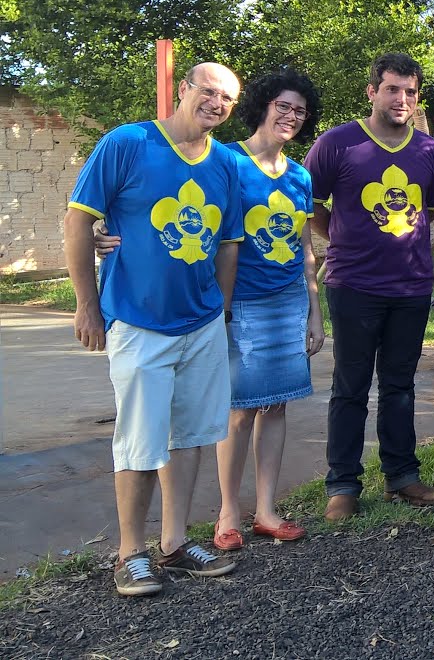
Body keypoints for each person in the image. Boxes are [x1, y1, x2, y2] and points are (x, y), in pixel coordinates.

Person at [65, 61, 244, 596]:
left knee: (189, 438)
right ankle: (129, 553)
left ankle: (173, 542)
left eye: (228, 99)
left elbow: (229, 243)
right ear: (183, 90)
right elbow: (78, 220)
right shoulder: (127, 143)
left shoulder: (225, 164)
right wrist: (86, 305)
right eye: (208, 91)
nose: (216, 103)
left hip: (202, 322)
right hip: (139, 320)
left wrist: (223, 309)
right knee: (139, 442)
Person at [306, 53, 434, 521]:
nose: (402, 99)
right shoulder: (337, 144)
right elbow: (311, 205)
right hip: (354, 284)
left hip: (410, 285)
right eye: (392, 89)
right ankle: (343, 483)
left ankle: (402, 476)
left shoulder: (430, 151)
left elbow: (427, 211)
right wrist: (344, 237)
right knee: (350, 386)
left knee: (400, 385)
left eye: (410, 91)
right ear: (371, 91)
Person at [213, 70, 325, 549]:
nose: (291, 116)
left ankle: (265, 510)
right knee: (239, 410)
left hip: (288, 301)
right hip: (241, 302)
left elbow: (305, 248)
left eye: (299, 111)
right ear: (263, 105)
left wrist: (314, 310)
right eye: (283, 106)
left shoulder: (300, 175)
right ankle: (226, 516)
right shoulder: (227, 162)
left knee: (275, 405)